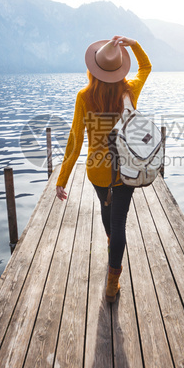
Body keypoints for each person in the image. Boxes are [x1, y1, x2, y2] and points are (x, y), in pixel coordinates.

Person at [56, 35, 152, 302]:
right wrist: (134, 45)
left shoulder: (84, 96)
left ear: (93, 68)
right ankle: (112, 284)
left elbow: (74, 141)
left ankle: (111, 245)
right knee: (119, 221)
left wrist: (62, 178)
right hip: (127, 170)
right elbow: (146, 68)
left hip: (97, 171)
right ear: (120, 67)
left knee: (106, 211)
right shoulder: (130, 90)